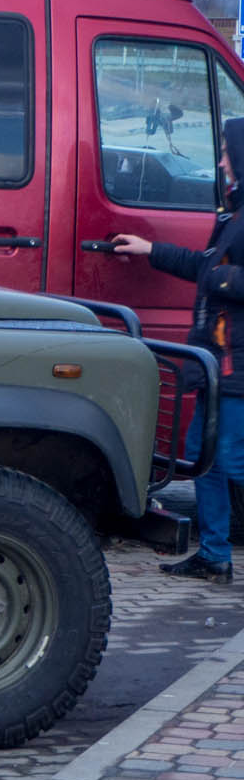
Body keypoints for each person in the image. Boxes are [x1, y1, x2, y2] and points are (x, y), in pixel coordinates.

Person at [112, 115, 244, 582]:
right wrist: (151, 250)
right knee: (204, 457)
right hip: (218, 362)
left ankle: (215, 553)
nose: (223, 162)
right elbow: (203, 264)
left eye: (228, 153)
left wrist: (218, 277)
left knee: (227, 459)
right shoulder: (235, 217)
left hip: (236, 365)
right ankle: (215, 556)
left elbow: (217, 273)